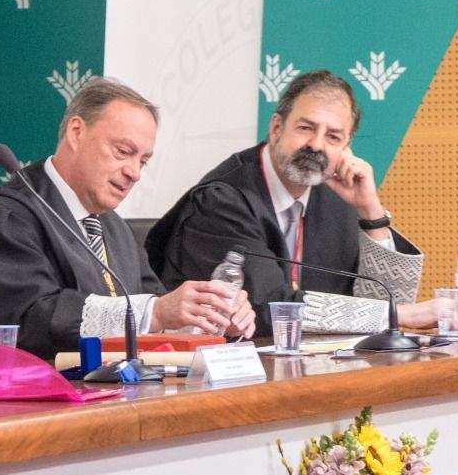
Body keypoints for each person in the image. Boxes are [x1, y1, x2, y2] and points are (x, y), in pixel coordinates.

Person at [0, 78, 254, 360]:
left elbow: (158, 311)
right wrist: (159, 311)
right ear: (76, 132)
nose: (134, 172)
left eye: (143, 161)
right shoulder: (6, 215)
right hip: (32, 403)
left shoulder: (113, 227)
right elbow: (33, 318)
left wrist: (207, 317)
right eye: (123, 152)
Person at [145, 69, 431, 336]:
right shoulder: (221, 200)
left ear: (345, 148)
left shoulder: (336, 197)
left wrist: (371, 215)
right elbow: (271, 307)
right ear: (277, 127)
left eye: (333, 137)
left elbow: (387, 312)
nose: (316, 145)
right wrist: (396, 315)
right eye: (306, 128)